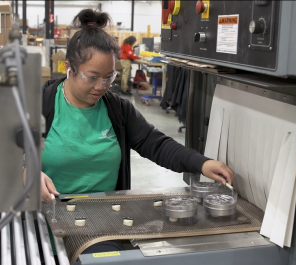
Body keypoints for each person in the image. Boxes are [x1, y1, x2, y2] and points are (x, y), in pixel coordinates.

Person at [38, 9, 234, 203]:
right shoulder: (39, 103)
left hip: (106, 219)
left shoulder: (118, 110)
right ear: (68, 68)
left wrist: (201, 163)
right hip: (50, 217)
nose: (101, 86)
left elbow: (156, 144)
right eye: (92, 77)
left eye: (109, 77)